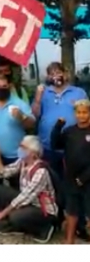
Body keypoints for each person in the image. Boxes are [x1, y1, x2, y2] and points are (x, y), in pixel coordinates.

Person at [32, 61, 89, 240]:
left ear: (65, 73)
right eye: (52, 73)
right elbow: (35, 114)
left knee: (77, 187)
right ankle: (55, 221)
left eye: (58, 72)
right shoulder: (44, 92)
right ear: (48, 77)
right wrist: (39, 97)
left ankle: (79, 225)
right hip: (49, 147)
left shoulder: (78, 92)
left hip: (74, 147)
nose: (55, 76)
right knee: (53, 187)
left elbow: (85, 110)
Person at [0, 136, 58, 243]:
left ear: (33, 153)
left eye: (23, 147)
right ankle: (17, 223)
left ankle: (44, 228)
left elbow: (24, 197)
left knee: (15, 216)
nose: (20, 149)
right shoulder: (22, 162)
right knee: (0, 190)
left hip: (42, 209)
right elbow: (3, 173)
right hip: (29, 203)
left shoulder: (40, 171)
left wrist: (2, 213)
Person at [0, 74, 36, 189]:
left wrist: (22, 117)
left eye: (4, 86)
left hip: (17, 156)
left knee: (17, 188)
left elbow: (32, 124)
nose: (1, 89)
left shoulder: (19, 103)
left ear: (10, 86)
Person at [50, 100, 90, 244]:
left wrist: (85, 177)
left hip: (87, 179)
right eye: (79, 112)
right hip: (71, 178)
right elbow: (55, 144)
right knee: (72, 211)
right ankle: (69, 240)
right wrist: (58, 126)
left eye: (85, 112)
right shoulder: (69, 131)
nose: (82, 116)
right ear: (75, 114)